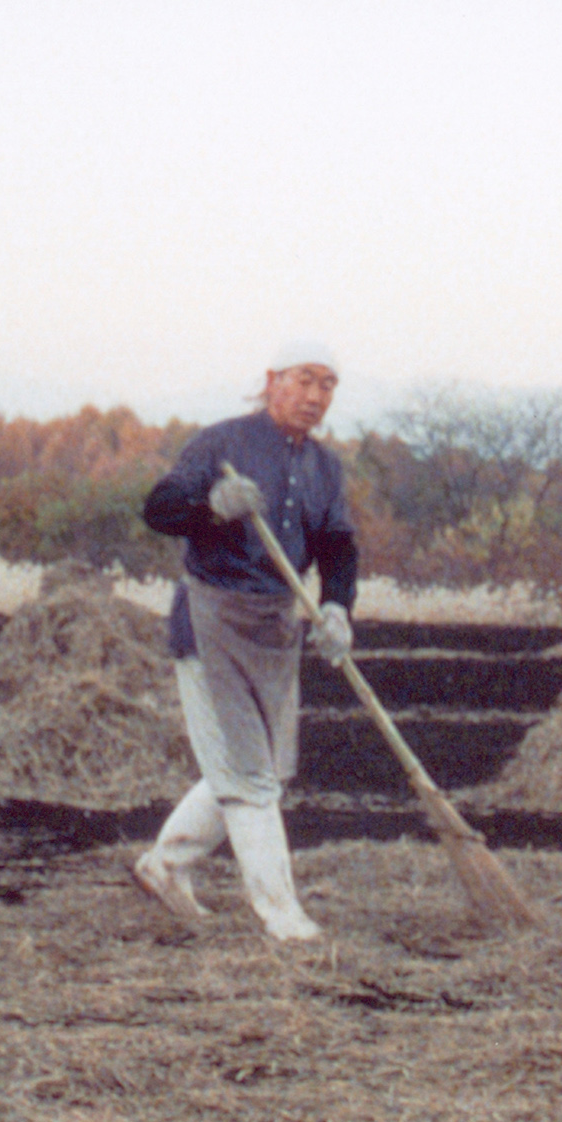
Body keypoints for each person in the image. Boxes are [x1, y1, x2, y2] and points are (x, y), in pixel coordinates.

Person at [133, 341, 357, 941]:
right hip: (211, 620)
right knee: (249, 776)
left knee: (260, 770)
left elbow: (338, 546)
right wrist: (211, 506)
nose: (315, 396)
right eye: (304, 379)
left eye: (328, 384)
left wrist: (337, 606)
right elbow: (158, 509)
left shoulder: (325, 468)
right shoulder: (221, 444)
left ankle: (165, 865)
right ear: (272, 380)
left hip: (275, 626)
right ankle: (282, 915)